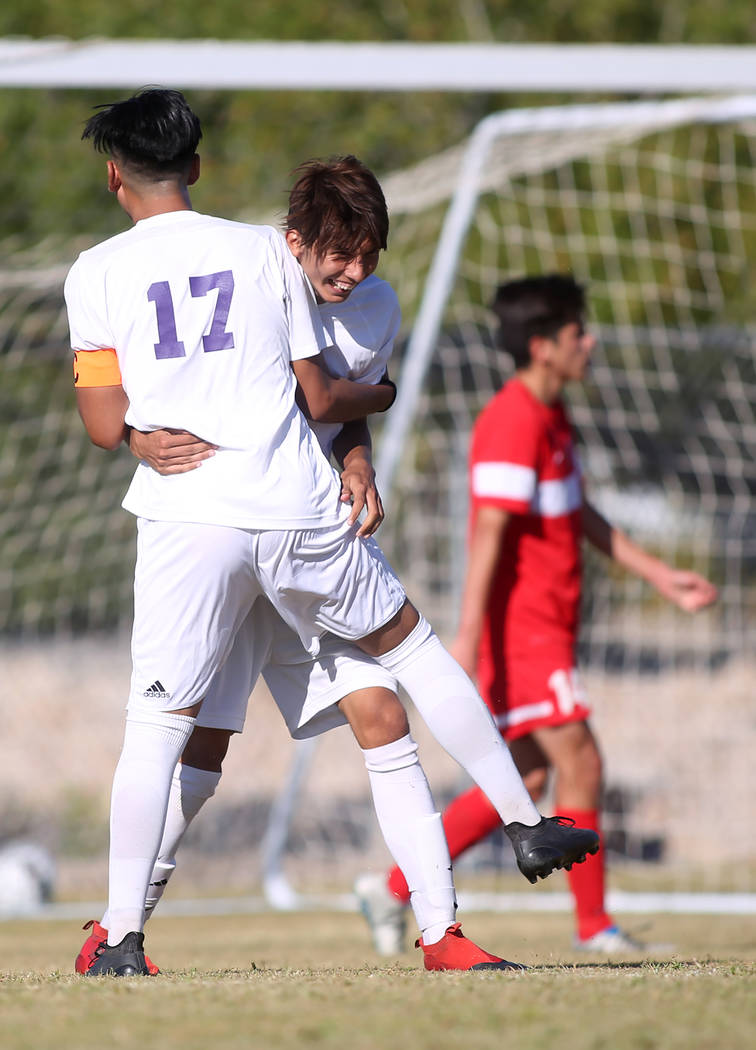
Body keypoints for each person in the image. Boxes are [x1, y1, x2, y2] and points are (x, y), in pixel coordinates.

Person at [65, 90, 598, 977]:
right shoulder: (259, 251)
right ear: (197, 166)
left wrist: (133, 437)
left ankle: (128, 936)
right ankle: (519, 822)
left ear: (113, 173)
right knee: (405, 651)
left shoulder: (94, 271)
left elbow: (101, 419)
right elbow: (316, 390)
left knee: (169, 728)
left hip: (190, 519)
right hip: (289, 512)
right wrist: (375, 411)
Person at [356, 273, 719, 956]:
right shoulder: (512, 420)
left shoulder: (554, 417)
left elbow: (577, 513)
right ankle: (596, 928)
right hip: (520, 636)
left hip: (547, 631)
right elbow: (489, 530)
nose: (592, 341)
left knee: (523, 779)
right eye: (580, 332)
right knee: (580, 759)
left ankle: (394, 887)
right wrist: (464, 637)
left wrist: (660, 575)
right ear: (545, 347)